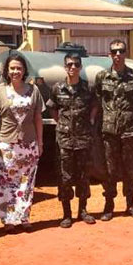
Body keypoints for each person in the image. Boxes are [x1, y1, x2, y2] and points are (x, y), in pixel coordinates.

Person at [0, 52, 44, 232]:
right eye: (12, 68)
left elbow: (37, 117)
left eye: (19, 68)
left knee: (26, 182)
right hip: (6, 144)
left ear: (24, 70)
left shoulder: (33, 90)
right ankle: (8, 220)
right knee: (6, 182)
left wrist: (40, 142)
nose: (15, 71)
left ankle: (24, 217)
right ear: (7, 70)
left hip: (28, 144)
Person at [93, 39, 133, 221]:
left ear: (125, 53)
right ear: (110, 54)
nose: (117, 55)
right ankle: (109, 205)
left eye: (121, 51)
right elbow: (98, 101)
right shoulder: (102, 77)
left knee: (130, 168)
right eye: (114, 51)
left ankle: (131, 204)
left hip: (130, 129)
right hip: (109, 131)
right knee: (110, 169)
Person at [46, 53, 97, 228]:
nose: (73, 67)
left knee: (83, 176)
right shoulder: (57, 88)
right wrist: (60, 122)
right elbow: (51, 107)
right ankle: (66, 213)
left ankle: (82, 210)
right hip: (65, 140)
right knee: (65, 178)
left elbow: (95, 105)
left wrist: (90, 119)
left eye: (76, 64)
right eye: (69, 64)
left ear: (80, 67)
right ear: (65, 67)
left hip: (83, 139)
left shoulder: (88, 88)